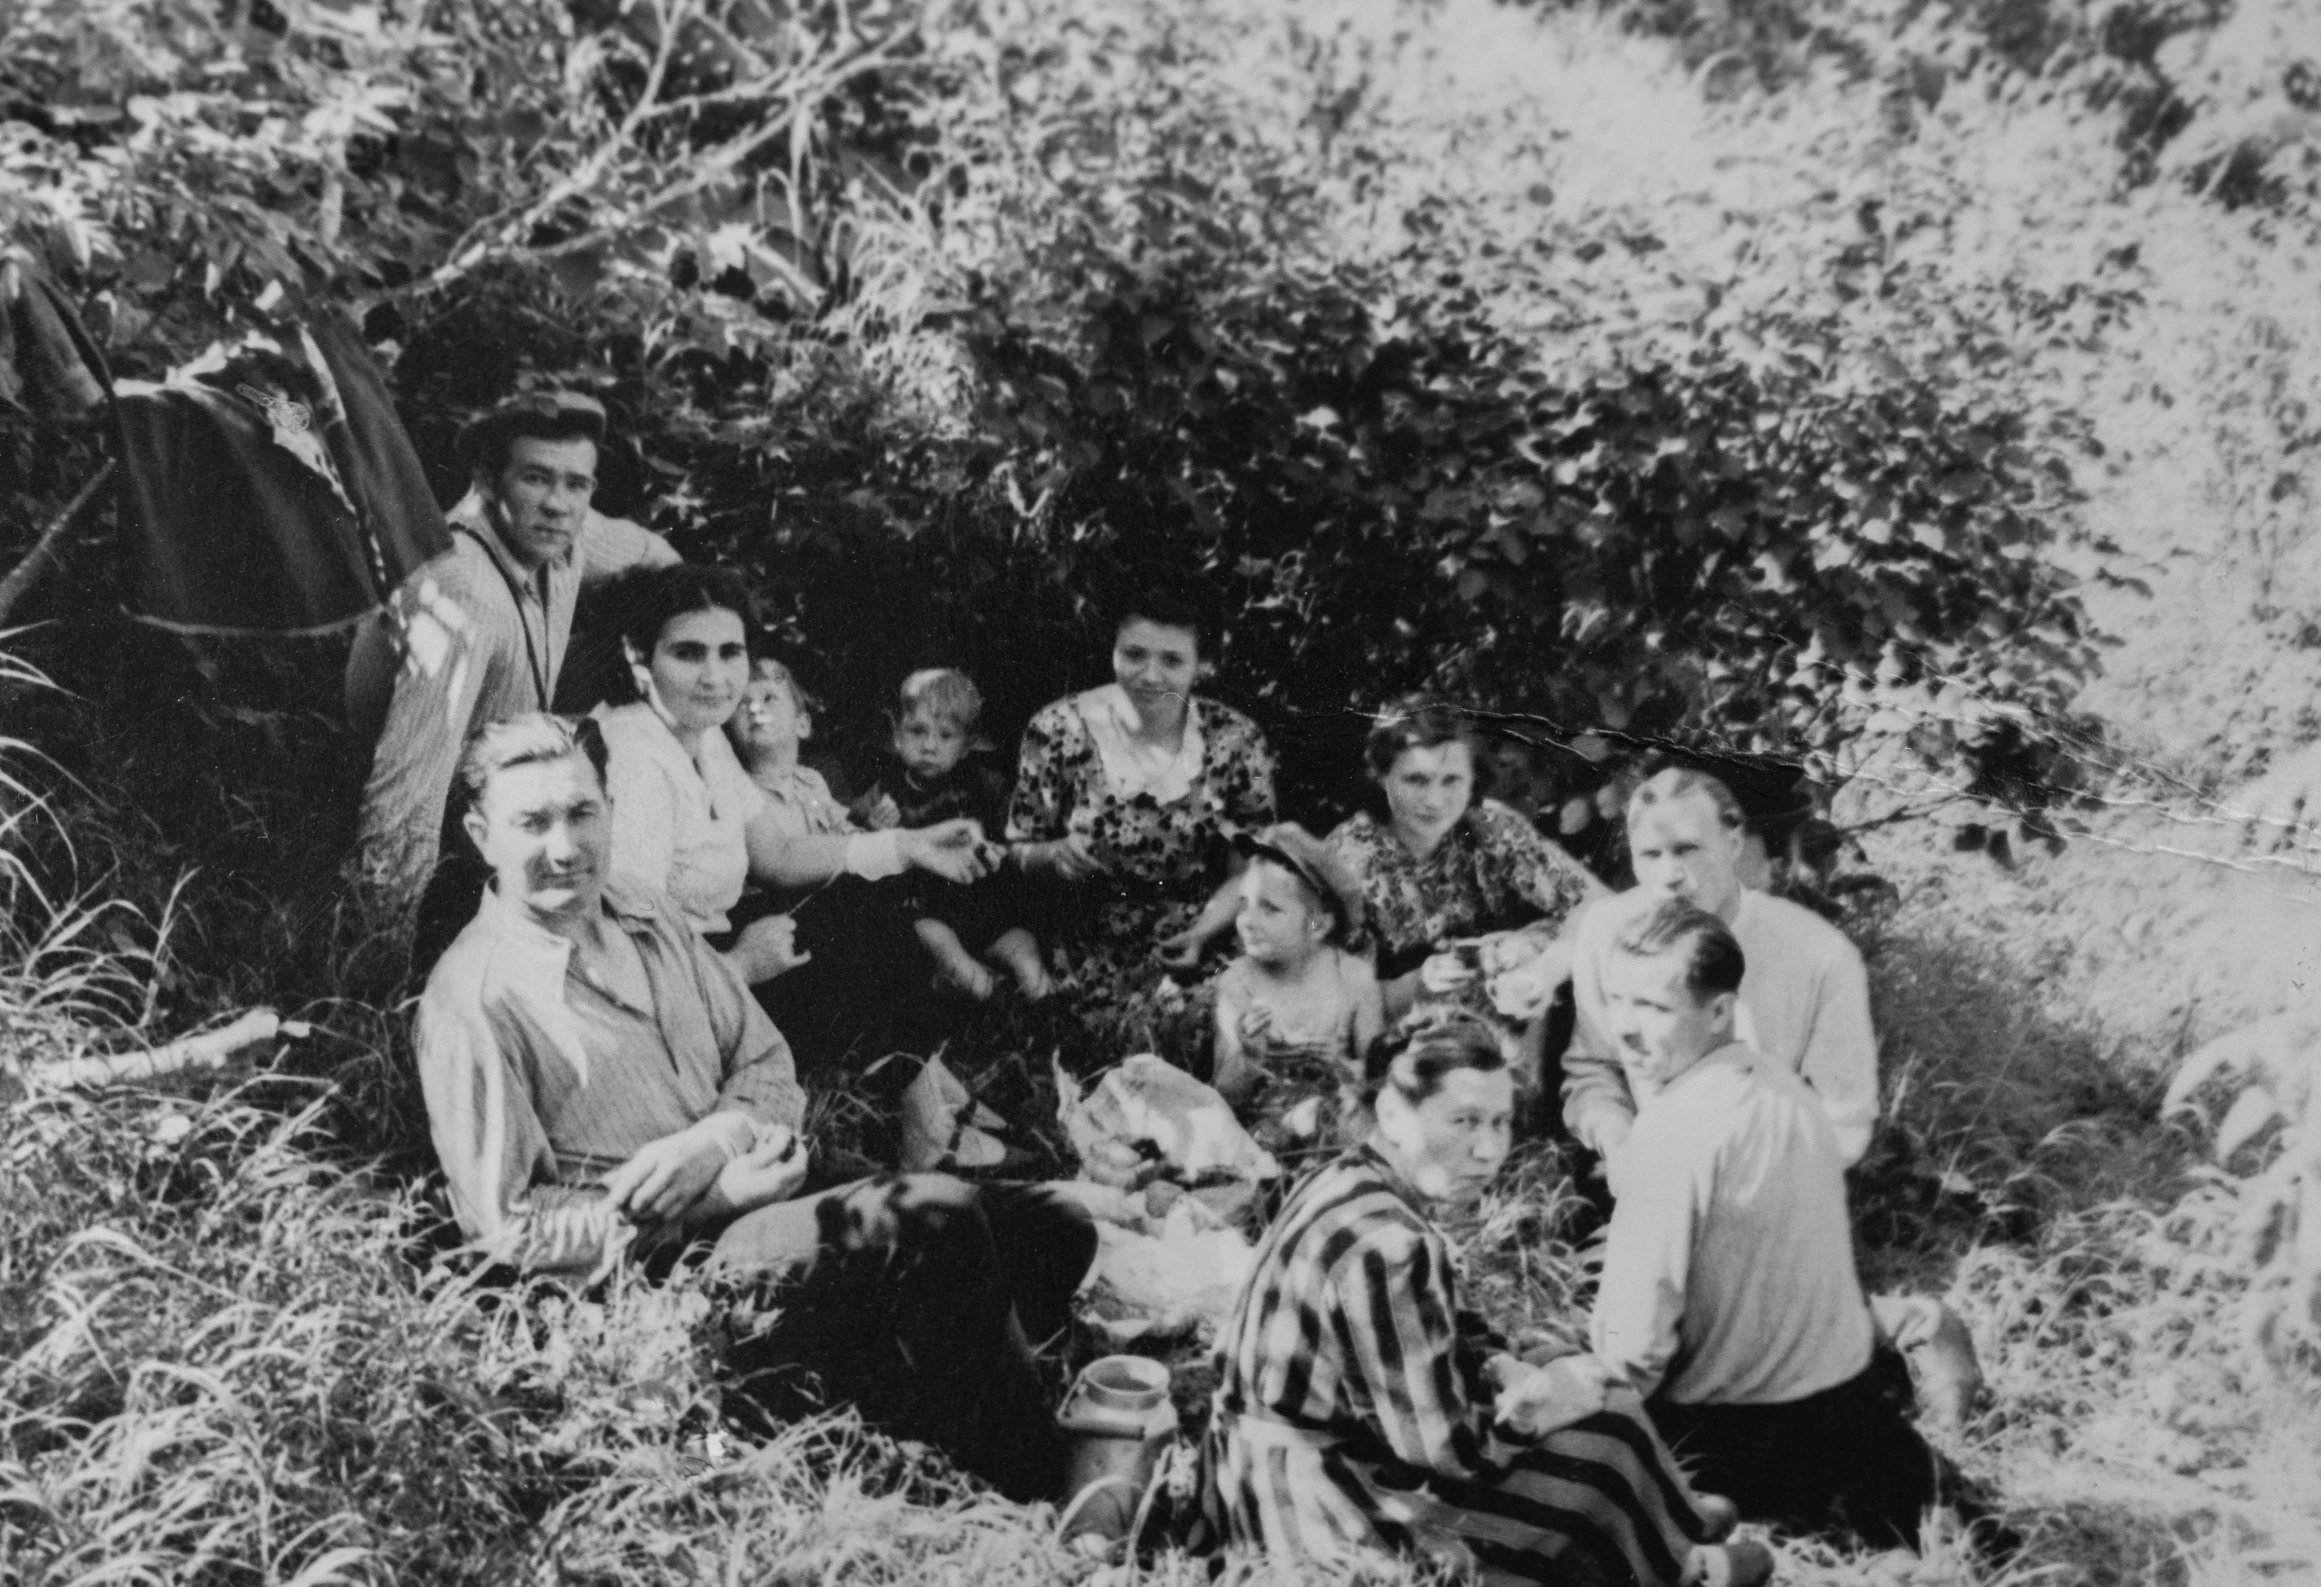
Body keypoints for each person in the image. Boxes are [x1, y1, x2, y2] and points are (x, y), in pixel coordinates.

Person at [413, 712, 1096, 1500]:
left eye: (581, 812)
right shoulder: (474, 998)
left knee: (1054, 1229)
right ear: (480, 833)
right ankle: (1038, 1492)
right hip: (666, 1274)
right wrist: (704, 1197)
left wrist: (717, 1139)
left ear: (609, 807)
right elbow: (508, 1228)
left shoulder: (642, 909)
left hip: (758, 1183)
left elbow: (767, 1061)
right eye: (532, 822)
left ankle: (901, 1409)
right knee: (936, 1220)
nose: (564, 845)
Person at [1203, 1010, 1768, 1587]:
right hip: (1312, 1505)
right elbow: (1447, 1450)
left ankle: (1677, 1524)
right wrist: (1538, 1412)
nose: (1488, 1149)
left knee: (1587, 1386)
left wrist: (1504, 1364)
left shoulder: (1350, 1178)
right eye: (1464, 1120)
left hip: (1264, 1468)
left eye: (1500, 1122)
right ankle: (1682, 1566)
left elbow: (1435, 1322)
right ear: (1393, 1114)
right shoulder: (1389, 1246)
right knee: (1593, 1455)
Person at [1588, 899, 1936, 1549]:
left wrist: (1574, 1397)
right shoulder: (1785, 1086)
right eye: (1616, 1001)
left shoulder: (1672, 1130)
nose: (1625, 1030)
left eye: (1654, 1008)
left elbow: (1632, 1353)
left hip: (1738, 1446)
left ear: (1718, 1011)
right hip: (1838, 1403)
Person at [588, 566, 990, 992]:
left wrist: (911, 845)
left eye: (729, 652)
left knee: (866, 896)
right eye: (688, 653)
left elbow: (777, 854)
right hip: (680, 980)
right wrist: (738, 966)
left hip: (715, 951)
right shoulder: (631, 757)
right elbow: (623, 945)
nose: (715, 677)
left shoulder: (704, 736)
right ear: (638, 656)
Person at [350, 390, 678, 897]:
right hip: (445, 815)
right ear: (486, 480)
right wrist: (382, 958)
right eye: (535, 478)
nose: (558, 504)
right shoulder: (464, 589)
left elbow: (657, 558)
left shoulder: (567, 528)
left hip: (513, 780)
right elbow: (404, 800)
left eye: (577, 484)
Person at [1507, 766, 1877, 1174]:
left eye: (1688, 850)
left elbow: (1846, 1118)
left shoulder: (1818, 953)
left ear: (1733, 842)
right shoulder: (1609, 929)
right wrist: (1622, 1144)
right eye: (1650, 855)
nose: (1670, 876)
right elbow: (1593, 1071)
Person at [1006, 581, 1277, 989]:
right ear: (1113, 648)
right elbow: (1019, 849)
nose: (1150, 676)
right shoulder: (1057, 730)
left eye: (1171, 660)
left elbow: (1252, 869)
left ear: (1202, 665)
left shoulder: (1235, 742)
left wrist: (1202, 933)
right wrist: (1054, 854)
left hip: (1197, 952)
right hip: (1084, 958)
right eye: (1134, 654)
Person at [1325, 697, 1606, 1026]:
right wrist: (1420, 983)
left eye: (1451, 780)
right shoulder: (1350, 861)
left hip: (1517, 1018)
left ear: (1473, 776)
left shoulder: (1489, 827)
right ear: (1382, 776)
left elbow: (1602, 909)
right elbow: (1335, 1004)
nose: (1435, 800)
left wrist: (1538, 956)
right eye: (1416, 780)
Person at [849, 668, 1050, 999]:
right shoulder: (886, 790)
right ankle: (979, 985)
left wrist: (997, 846)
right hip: (925, 904)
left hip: (980, 897)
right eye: (917, 731)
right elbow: (851, 836)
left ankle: (1038, 990)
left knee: (1019, 941)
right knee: (934, 936)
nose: (929, 746)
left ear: (967, 745)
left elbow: (1012, 830)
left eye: (945, 736)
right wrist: (874, 828)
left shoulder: (983, 783)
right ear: (897, 735)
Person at [1210, 823, 1382, 1163]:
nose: (1247, 920)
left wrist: (1339, 1065)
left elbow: (1378, 1079)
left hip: (1339, 1122)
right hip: (1262, 1132)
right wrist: (1248, 1054)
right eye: (1244, 903)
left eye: (1270, 909)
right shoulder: (1236, 982)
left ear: (1318, 924)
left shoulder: (1354, 978)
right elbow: (1223, 1094)